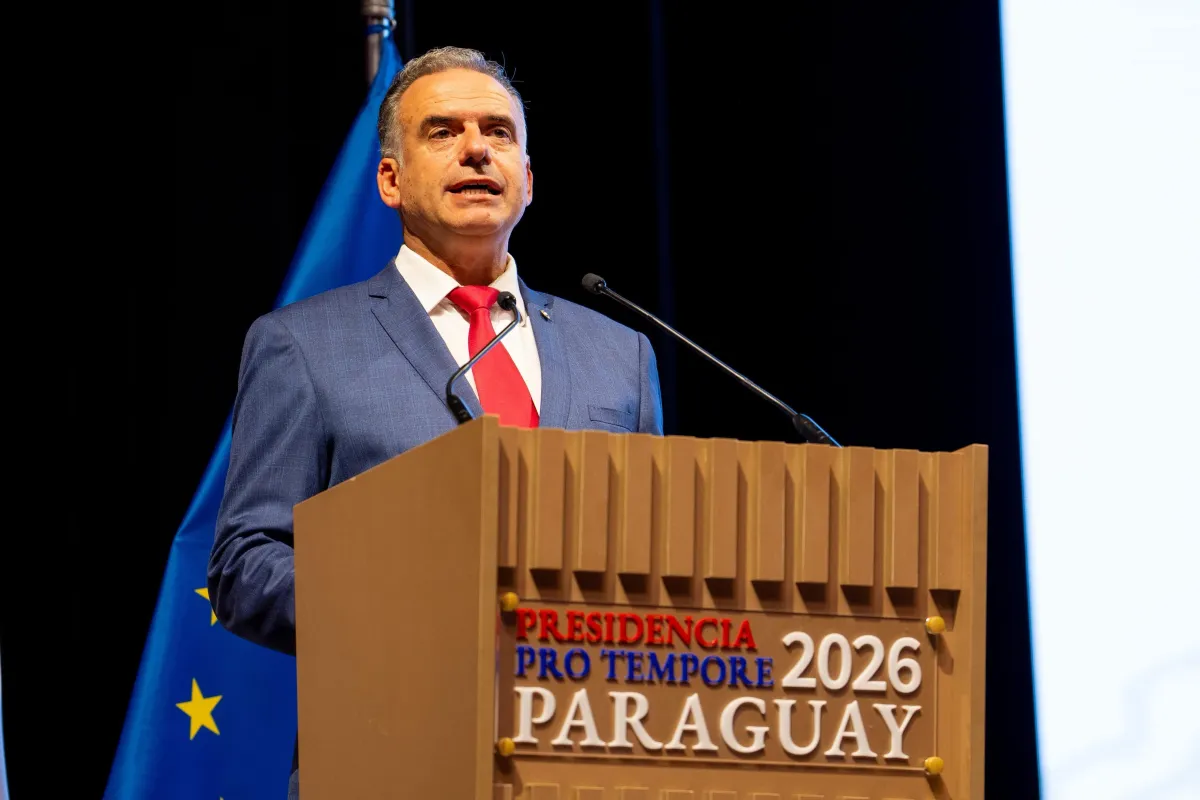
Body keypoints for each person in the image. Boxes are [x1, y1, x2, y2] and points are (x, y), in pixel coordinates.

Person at [207, 46, 663, 798]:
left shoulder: (620, 353)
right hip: (390, 758)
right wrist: (405, 609)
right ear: (390, 180)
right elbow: (245, 564)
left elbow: (656, 559)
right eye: (443, 131)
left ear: (527, 179)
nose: (477, 149)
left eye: (498, 132)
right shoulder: (304, 344)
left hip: (588, 758)